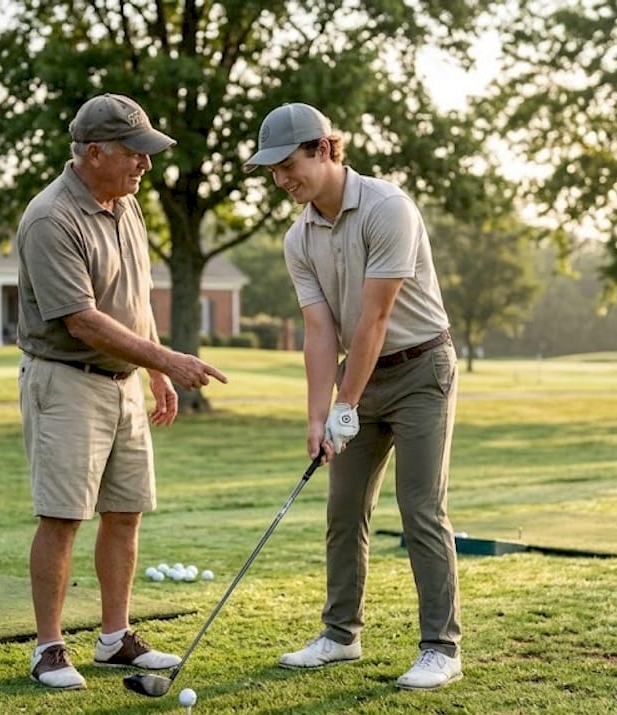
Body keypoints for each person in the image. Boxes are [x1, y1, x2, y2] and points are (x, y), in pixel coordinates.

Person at [244, 103, 462, 690]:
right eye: (273, 171)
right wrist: (319, 417)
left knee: (420, 509)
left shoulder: (389, 208)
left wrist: (347, 403)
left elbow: (375, 318)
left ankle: (441, 647)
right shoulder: (298, 238)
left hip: (421, 370)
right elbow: (320, 332)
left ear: (323, 149)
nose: (281, 180)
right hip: (358, 377)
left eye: (288, 165)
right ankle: (341, 635)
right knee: (343, 510)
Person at [15, 92, 228, 690]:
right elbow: (80, 319)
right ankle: (49, 649)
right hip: (66, 380)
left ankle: (114, 640)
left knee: (126, 512)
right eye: (134, 152)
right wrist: (168, 359)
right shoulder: (51, 218)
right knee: (62, 516)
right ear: (91, 153)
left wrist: (155, 373)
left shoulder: (124, 203)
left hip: (124, 383)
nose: (146, 164)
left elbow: (132, 302)